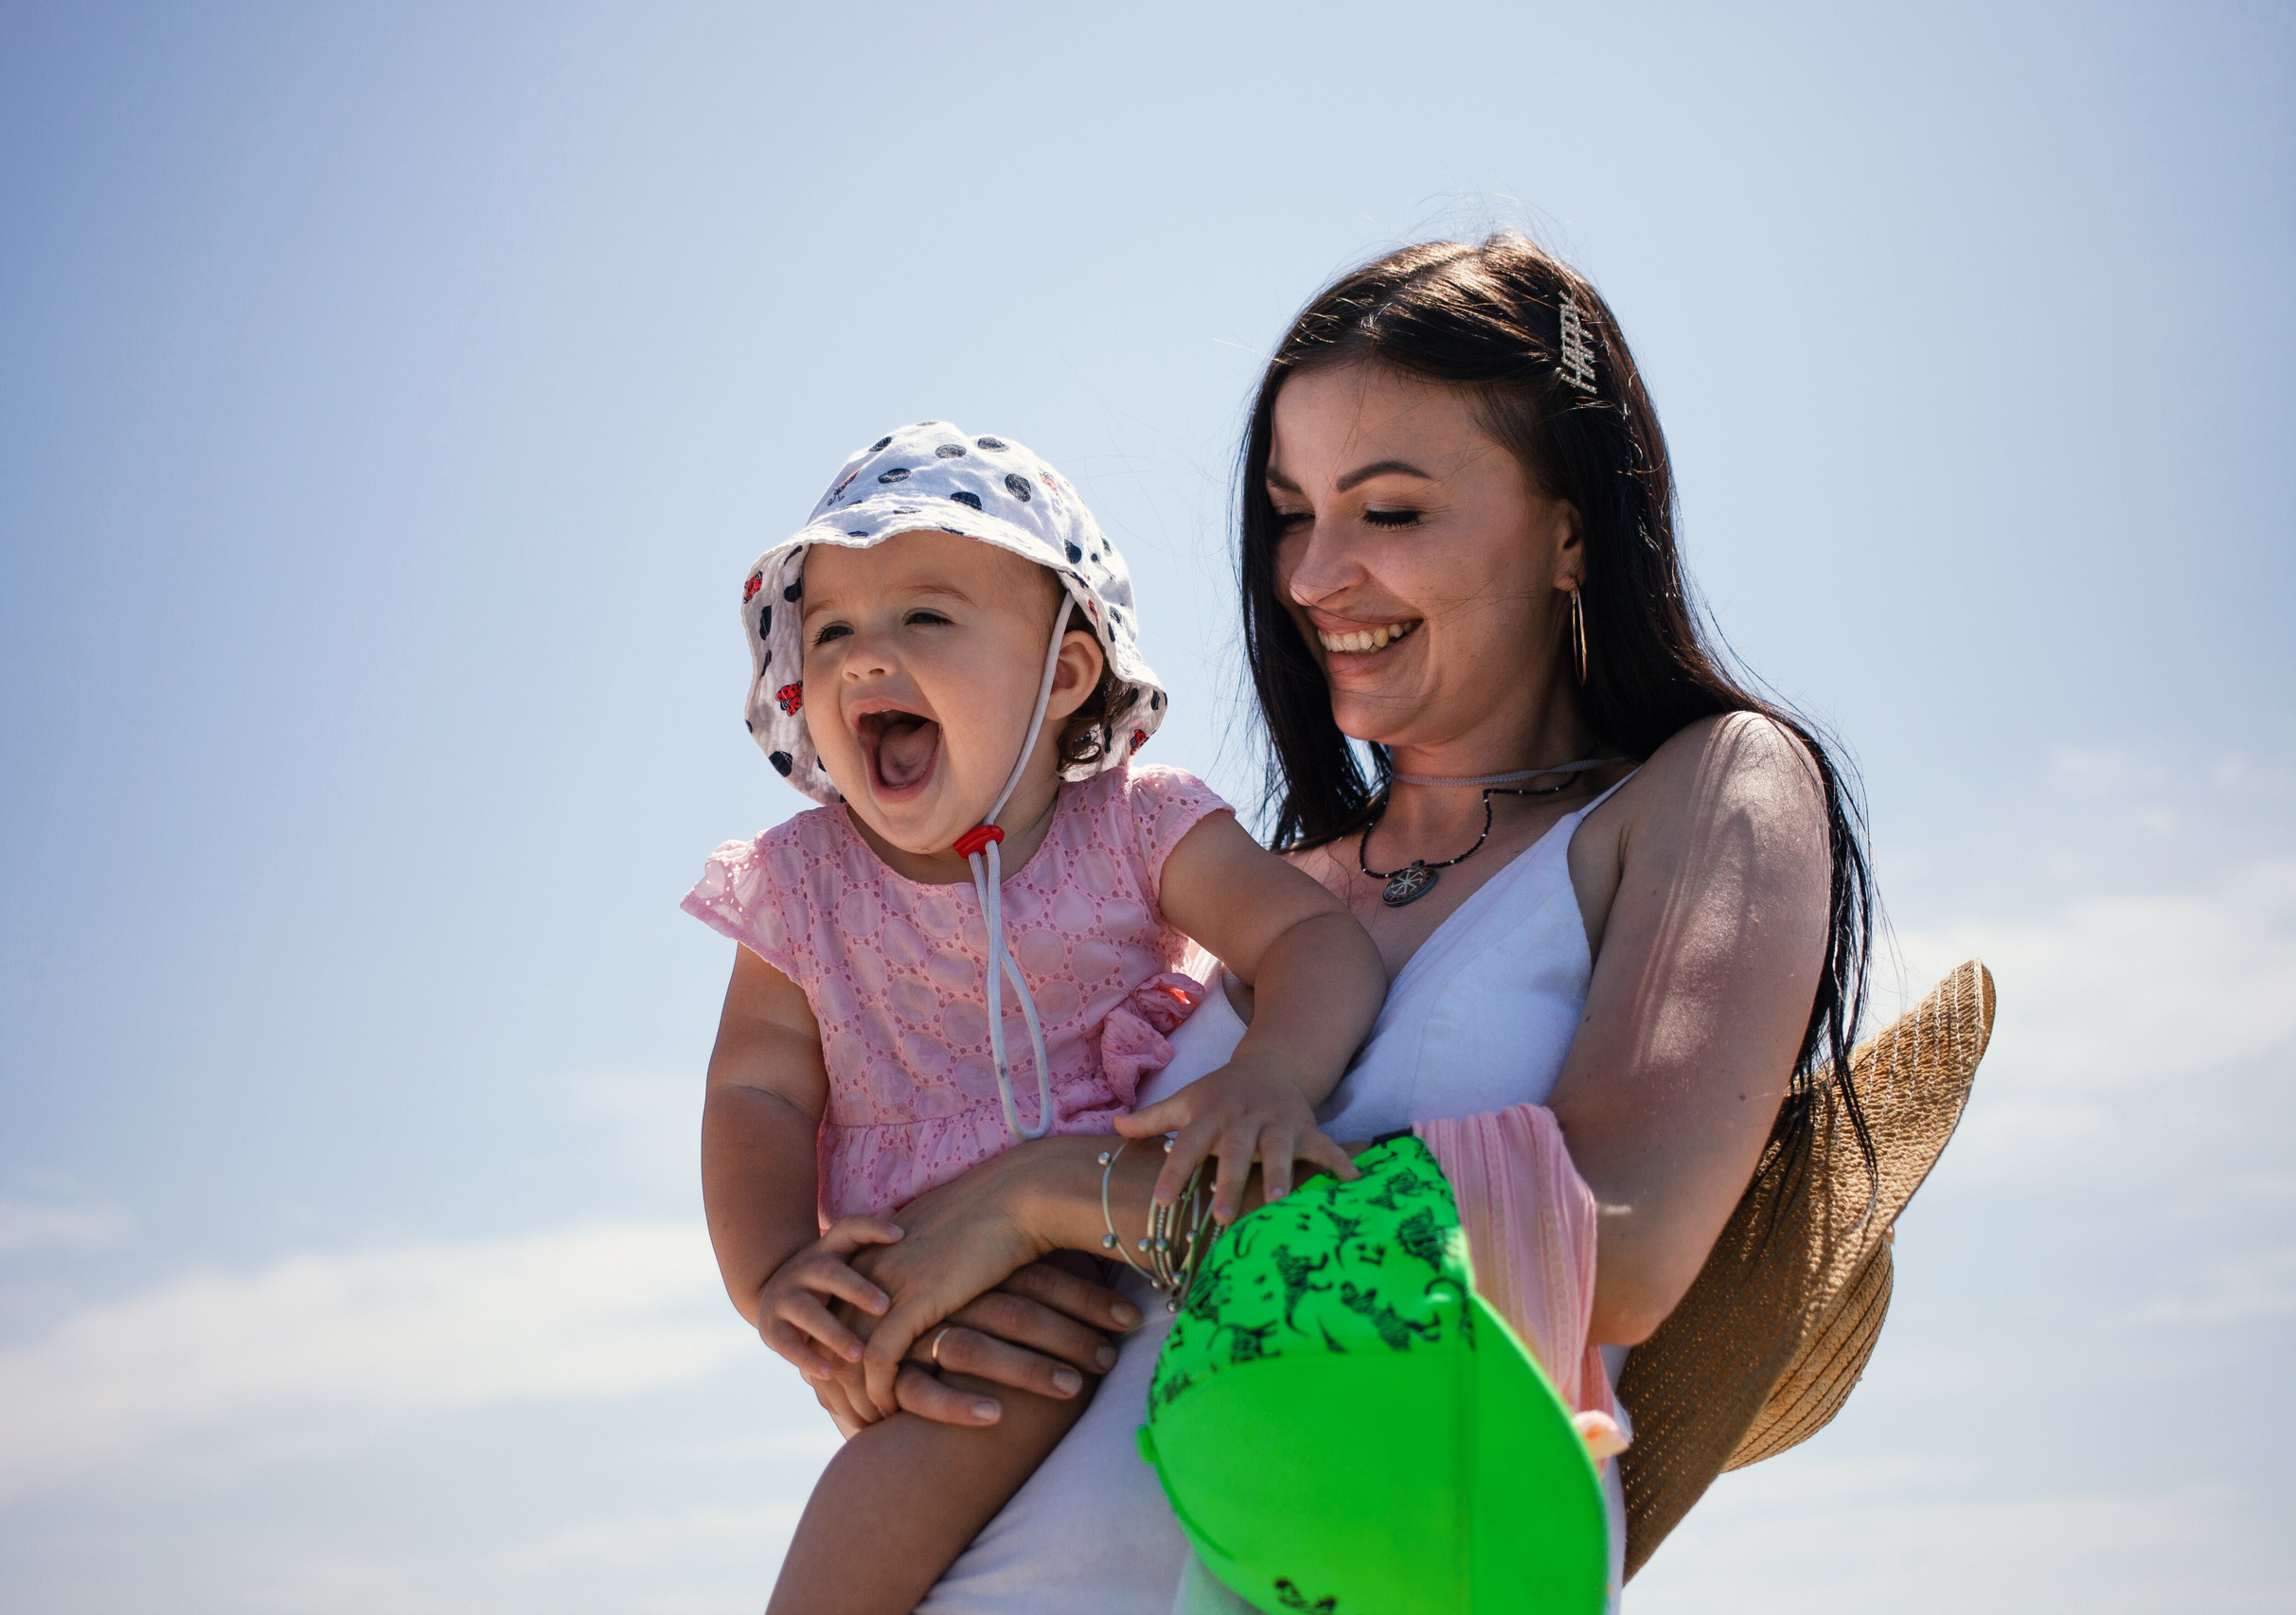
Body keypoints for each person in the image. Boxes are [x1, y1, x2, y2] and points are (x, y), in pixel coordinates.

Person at [797, 236, 1878, 1614]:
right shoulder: (1236, 892)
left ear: (1572, 526)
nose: (1312, 575)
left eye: (1392, 513)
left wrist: (1049, 1192)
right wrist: (881, 1316)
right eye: (1290, 514)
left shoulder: (1705, 789)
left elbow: (1618, 1239)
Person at [684, 421, 1387, 1615]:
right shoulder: (803, 886)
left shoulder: (1133, 826)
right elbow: (754, 1091)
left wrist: (1274, 1070)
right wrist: (773, 1278)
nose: (866, 658)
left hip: (1125, 1213)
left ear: (1063, 676)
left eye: (925, 618)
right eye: (835, 627)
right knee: (919, 1465)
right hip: (939, 1283)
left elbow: (1315, 938)